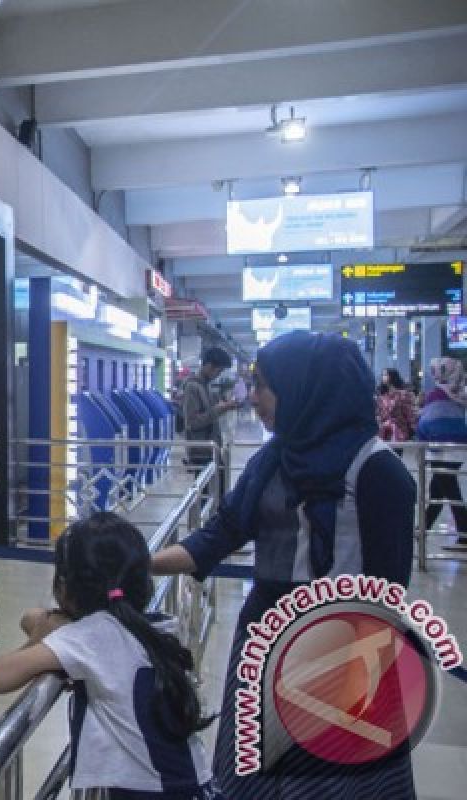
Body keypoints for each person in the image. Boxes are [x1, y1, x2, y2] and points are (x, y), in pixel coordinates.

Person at [152, 332, 416, 799]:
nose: (252, 399)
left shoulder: (378, 472)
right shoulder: (273, 461)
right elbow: (221, 534)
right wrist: (140, 564)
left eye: (263, 387)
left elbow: (388, 593)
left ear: (304, 390)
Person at [0, 513, 217, 799]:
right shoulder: (157, 626)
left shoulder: (91, 636)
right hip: (195, 786)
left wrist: (40, 635)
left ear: (66, 587)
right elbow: (30, 617)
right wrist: (53, 625)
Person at [417, 357, 467, 549]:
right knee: (438, 490)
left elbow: (428, 422)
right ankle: (424, 527)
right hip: (456, 450)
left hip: (440, 450)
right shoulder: (459, 393)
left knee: (448, 490)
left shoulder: (437, 394)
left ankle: (464, 533)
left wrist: (421, 439)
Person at [181, 348, 238, 489]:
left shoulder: (206, 385)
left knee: (219, 490)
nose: (218, 375)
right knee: (207, 496)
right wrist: (220, 409)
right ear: (209, 366)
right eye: (218, 371)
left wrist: (224, 406)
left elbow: (209, 413)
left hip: (212, 449)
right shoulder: (192, 387)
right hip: (202, 452)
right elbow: (192, 423)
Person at [376, 368, 417, 443]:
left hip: (400, 432)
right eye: (383, 375)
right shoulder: (382, 397)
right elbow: (380, 414)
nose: (383, 377)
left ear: (392, 376)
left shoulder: (403, 394)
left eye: (385, 375)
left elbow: (409, 413)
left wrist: (413, 429)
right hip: (385, 433)